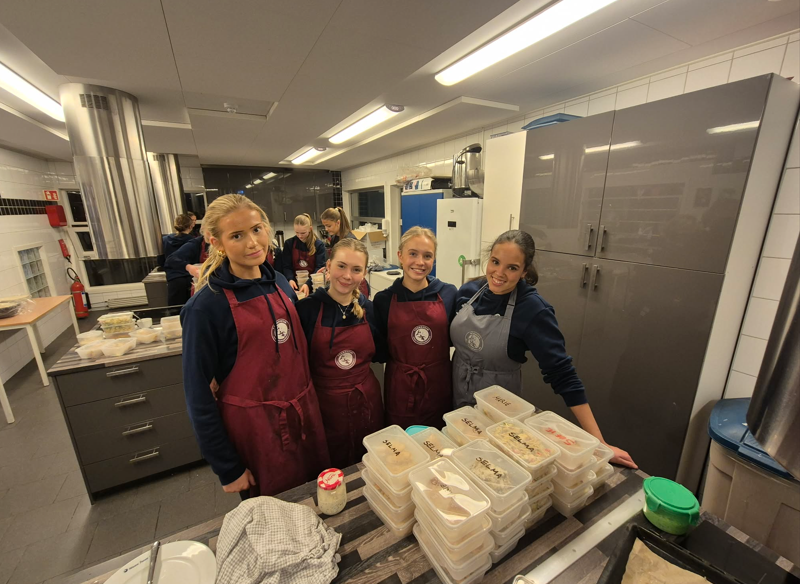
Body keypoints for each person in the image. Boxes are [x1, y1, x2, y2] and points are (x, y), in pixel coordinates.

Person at [181, 194, 330, 498]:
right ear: (217, 242)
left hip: (305, 416)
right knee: (274, 514)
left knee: (318, 501)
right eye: (237, 236)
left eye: (257, 229)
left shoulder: (279, 283)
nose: (252, 243)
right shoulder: (206, 307)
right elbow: (198, 395)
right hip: (258, 432)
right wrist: (227, 467)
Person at [452, 229, 637, 468]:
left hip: (499, 408)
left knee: (489, 465)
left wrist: (600, 443)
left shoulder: (533, 310)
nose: (499, 273)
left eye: (512, 267)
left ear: (524, 271)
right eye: (495, 262)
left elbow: (562, 374)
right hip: (456, 392)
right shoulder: (468, 293)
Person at [296, 238, 385, 468]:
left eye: (356, 269)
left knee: (370, 464)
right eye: (341, 266)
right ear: (328, 266)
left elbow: (380, 353)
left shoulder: (368, 309)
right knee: (330, 467)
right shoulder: (306, 309)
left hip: (367, 402)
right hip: (324, 406)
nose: (347, 276)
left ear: (364, 274)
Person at [373, 227, 457, 428]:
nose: (420, 262)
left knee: (439, 438)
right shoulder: (383, 300)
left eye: (427, 256)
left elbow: (454, 339)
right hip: (401, 386)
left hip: (438, 383)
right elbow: (380, 350)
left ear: (434, 260)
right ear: (400, 256)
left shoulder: (449, 294)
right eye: (413, 254)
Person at [320, 206, 370, 298]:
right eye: (325, 226)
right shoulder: (334, 238)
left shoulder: (350, 240)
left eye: (329, 226)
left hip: (356, 287)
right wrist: (327, 269)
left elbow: (350, 267)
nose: (326, 229)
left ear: (338, 223)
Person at [281, 213, 326, 297]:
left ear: (310, 229)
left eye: (303, 233)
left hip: (313, 285)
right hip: (295, 286)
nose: (299, 236)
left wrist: (308, 284)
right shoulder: (289, 244)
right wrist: (290, 279)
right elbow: (287, 266)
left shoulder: (318, 245)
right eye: (297, 232)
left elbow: (319, 268)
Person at [162, 214, 196, 305]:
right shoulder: (193, 241)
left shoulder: (165, 240)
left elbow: (161, 259)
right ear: (190, 226)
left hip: (174, 279)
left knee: (174, 309)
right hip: (189, 277)